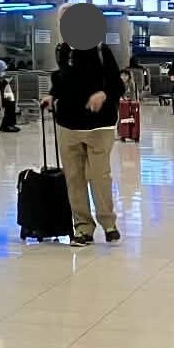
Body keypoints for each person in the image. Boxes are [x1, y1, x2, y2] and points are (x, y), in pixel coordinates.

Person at [47, 41, 122, 245]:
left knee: (99, 176)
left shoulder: (100, 50)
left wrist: (103, 94)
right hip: (68, 124)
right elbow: (63, 80)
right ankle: (83, 227)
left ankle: (108, 222)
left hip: (99, 125)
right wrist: (52, 95)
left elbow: (117, 84)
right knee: (74, 178)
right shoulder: (63, 50)